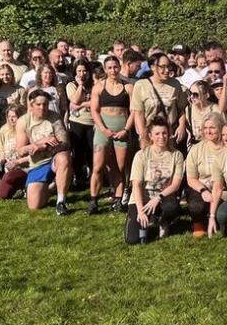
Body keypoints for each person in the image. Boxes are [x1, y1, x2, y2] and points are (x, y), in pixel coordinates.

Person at [125, 117, 184, 244]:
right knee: (133, 240)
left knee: (171, 207)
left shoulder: (177, 155)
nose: (161, 137)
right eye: (157, 134)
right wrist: (140, 211)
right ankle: (141, 219)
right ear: (150, 136)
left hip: (163, 198)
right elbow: (136, 184)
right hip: (141, 199)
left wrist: (158, 198)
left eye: (164, 133)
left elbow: (176, 185)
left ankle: (164, 221)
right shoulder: (141, 155)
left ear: (169, 134)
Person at [15, 90, 72, 215]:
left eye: (45, 104)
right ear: (31, 105)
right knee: (34, 205)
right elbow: (20, 151)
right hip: (37, 163)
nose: (43, 108)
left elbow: (65, 143)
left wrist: (45, 146)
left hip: (54, 160)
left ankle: (61, 201)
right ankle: (54, 187)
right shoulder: (23, 122)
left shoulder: (54, 117)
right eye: (39, 105)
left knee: (63, 157)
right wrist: (39, 144)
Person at [89, 55, 133, 214]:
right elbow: (94, 110)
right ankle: (93, 200)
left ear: (119, 67)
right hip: (103, 129)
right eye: (110, 68)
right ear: (105, 69)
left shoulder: (128, 87)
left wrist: (126, 130)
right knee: (98, 166)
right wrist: (103, 128)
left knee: (119, 167)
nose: (113, 70)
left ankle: (118, 199)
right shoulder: (99, 86)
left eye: (115, 67)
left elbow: (134, 111)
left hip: (122, 128)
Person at [132, 52, 189, 149]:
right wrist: (143, 136)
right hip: (150, 135)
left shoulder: (175, 84)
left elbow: (181, 109)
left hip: (170, 135)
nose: (167, 70)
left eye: (168, 66)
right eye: (162, 67)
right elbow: (138, 113)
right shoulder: (141, 85)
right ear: (153, 67)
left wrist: (182, 126)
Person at [185, 112, 226, 236]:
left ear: (220, 128)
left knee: (224, 216)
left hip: (224, 190)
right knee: (196, 206)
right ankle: (198, 222)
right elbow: (191, 178)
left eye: (212, 128)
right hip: (202, 188)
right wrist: (203, 190)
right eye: (205, 128)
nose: (208, 131)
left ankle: (218, 219)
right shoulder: (196, 149)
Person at [66, 60, 95, 189]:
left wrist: (81, 105)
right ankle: (78, 177)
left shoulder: (94, 85)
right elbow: (74, 99)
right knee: (77, 152)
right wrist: (80, 85)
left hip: (92, 122)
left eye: (84, 71)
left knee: (91, 151)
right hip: (77, 122)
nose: (82, 74)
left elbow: (95, 102)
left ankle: (93, 178)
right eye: (79, 71)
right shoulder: (71, 85)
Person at [0, 105, 29, 200]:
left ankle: (26, 187)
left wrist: (18, 162)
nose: (11, 119)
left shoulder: (27, 129)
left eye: (14, 116)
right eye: (9, 117)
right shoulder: (4, 130)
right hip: (8, 167)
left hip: (24, 167)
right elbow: (0, 148)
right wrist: (1, 160)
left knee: (11, 177)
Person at [186, 80, 220, 148]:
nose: (192, 97)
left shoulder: (216, 110)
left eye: (195, 94)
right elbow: (189, 133)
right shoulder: (188, 109)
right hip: (195, 146)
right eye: (190, 93)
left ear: (206, 95)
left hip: (212, 146)